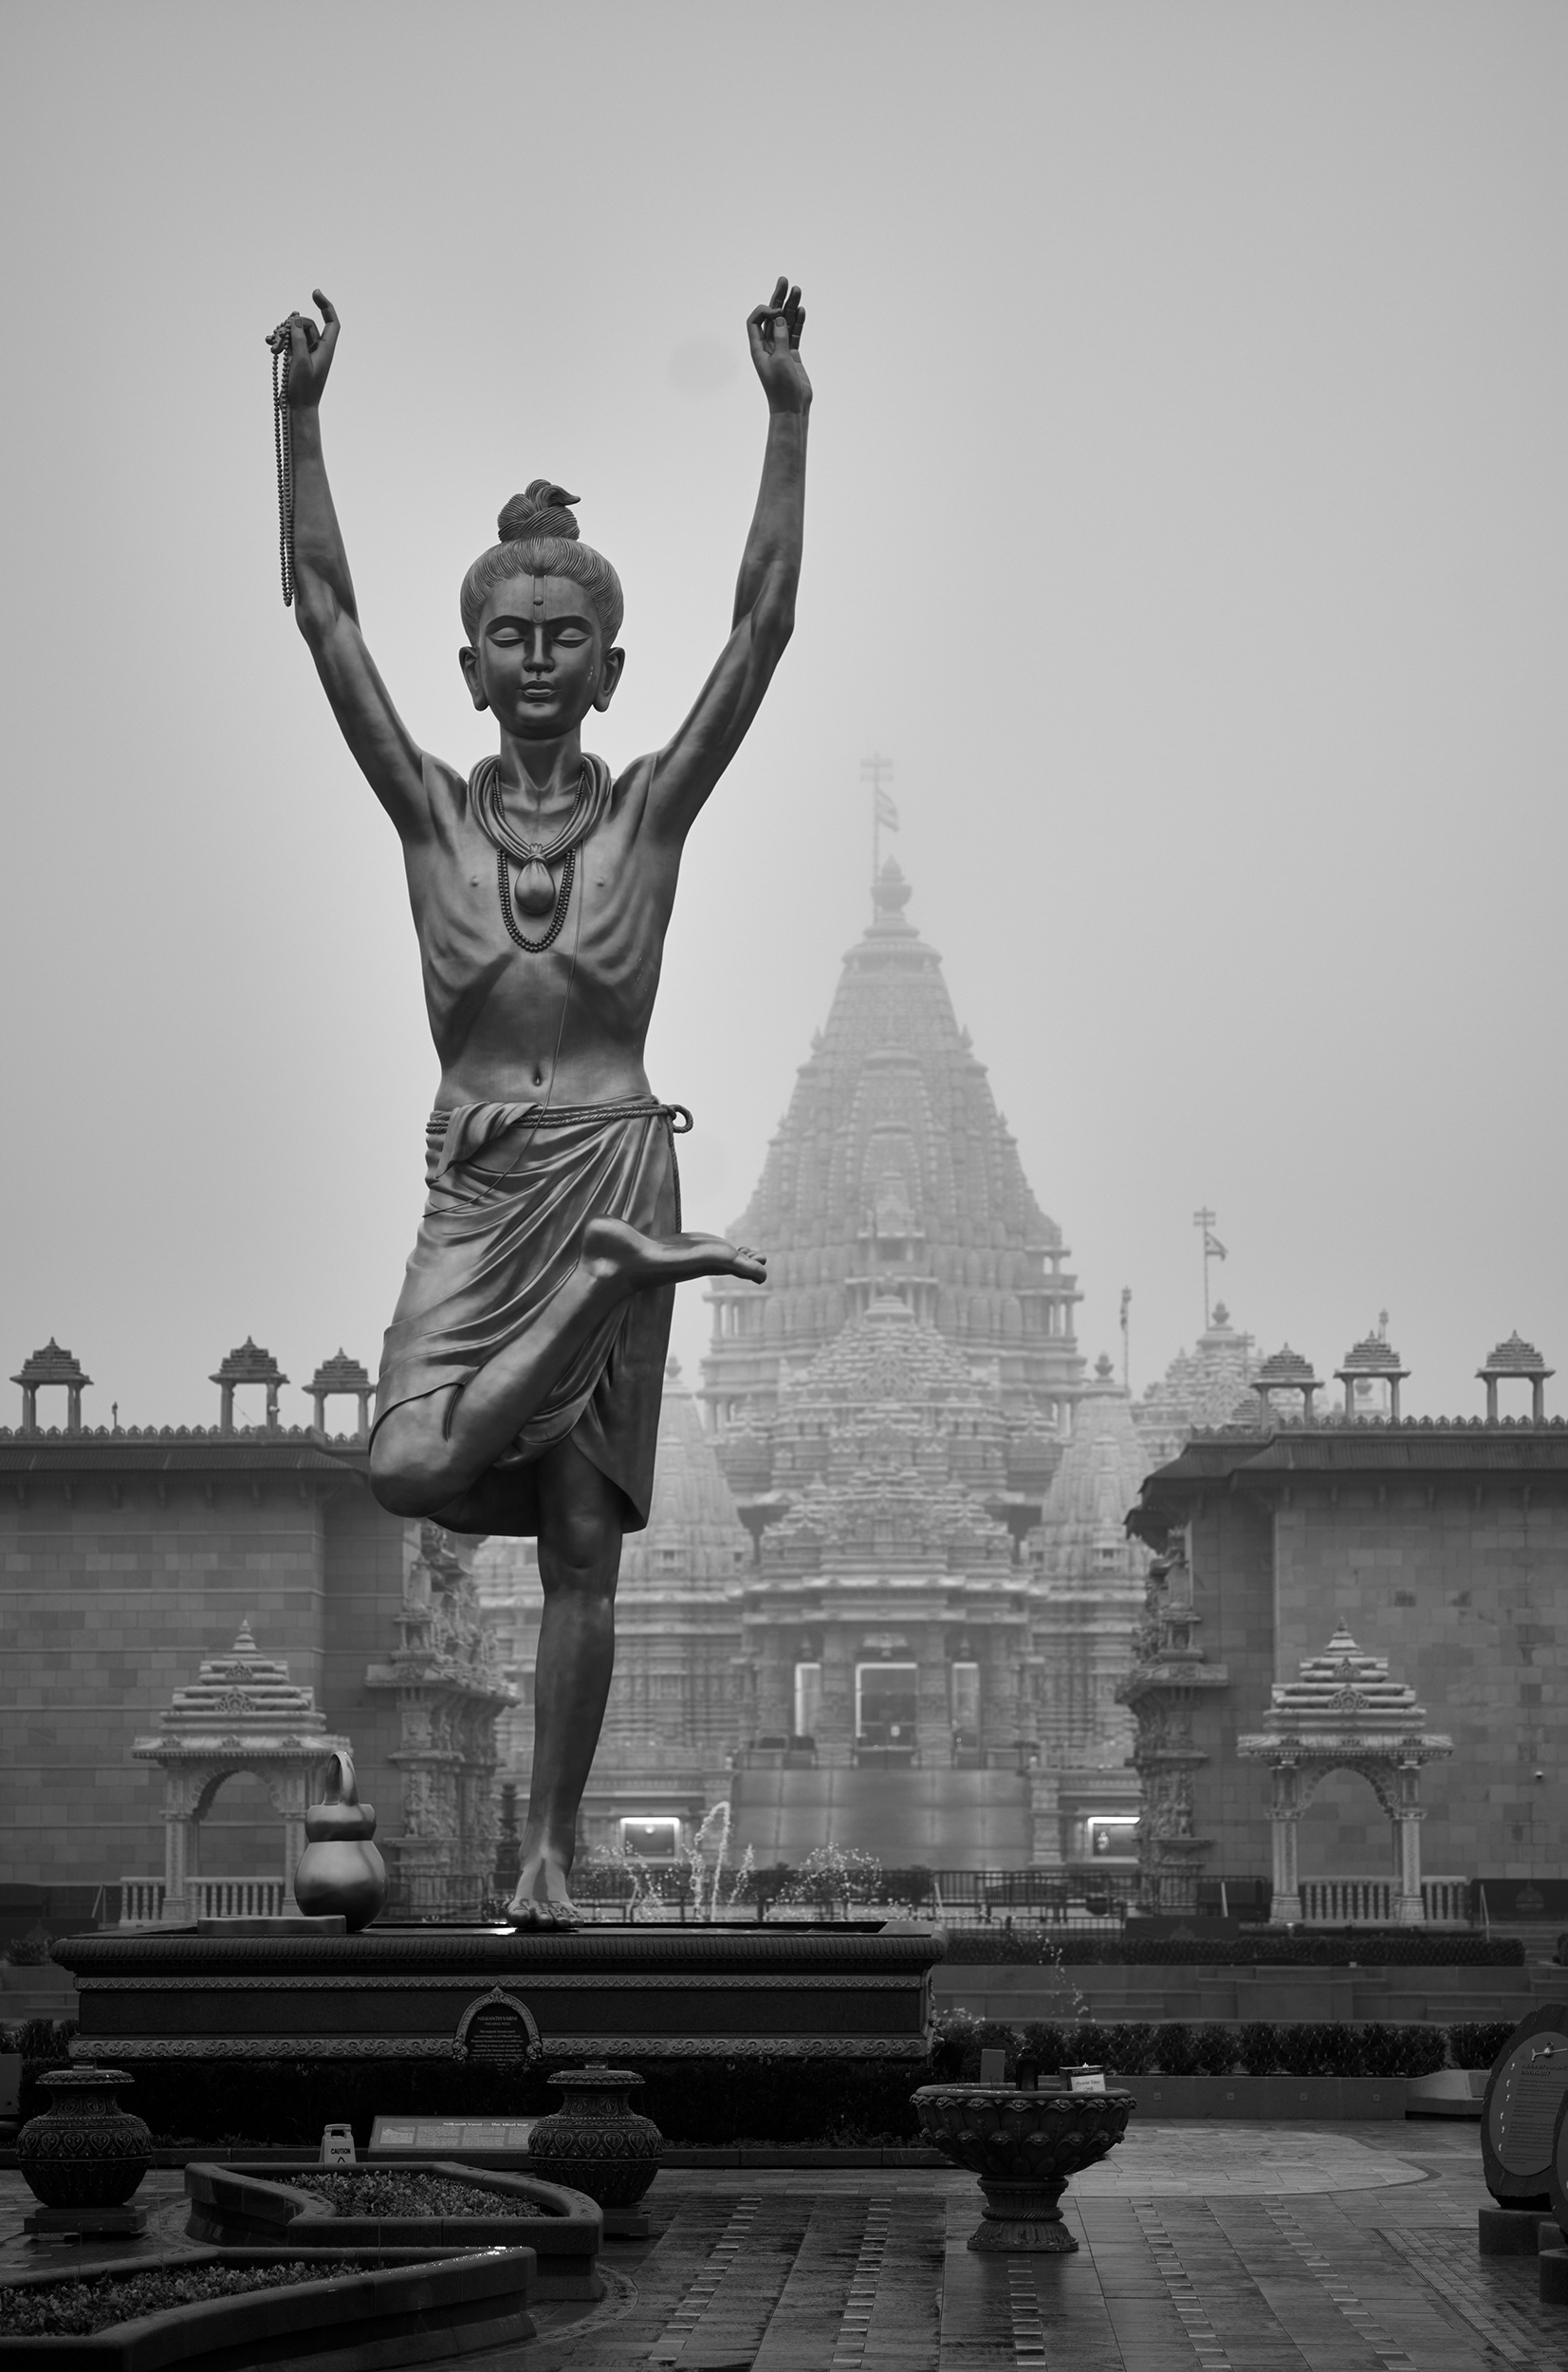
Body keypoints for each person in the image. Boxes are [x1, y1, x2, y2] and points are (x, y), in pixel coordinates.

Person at [279, 278, 809, 1918]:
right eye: (507, 638)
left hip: (612, 1157)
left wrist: (787, 417)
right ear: (469, 662)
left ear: (606, 663)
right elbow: (323, 618)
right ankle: (592, 1291)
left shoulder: (646, 817)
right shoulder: (430, 819)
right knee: (407, 1468)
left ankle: (548, 1851)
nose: (533, 660)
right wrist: (296, 422)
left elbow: (762, 630)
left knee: (585, 1542)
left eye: (562, 638)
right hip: (482, 1186)